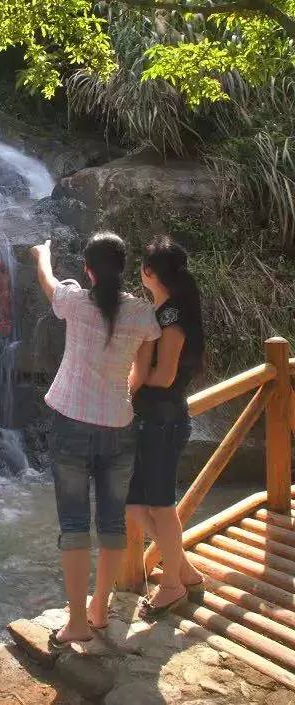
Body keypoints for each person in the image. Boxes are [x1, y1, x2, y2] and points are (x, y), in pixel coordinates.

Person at [30, 232, 161, 646]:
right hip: (119, 427)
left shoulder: (76, 302)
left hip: (70, 422)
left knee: (73, 525)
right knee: (110, 523)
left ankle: (76, 623)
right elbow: (141, 373)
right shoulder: (142, 315)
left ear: (88, 269)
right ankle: (99, 612)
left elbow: (48, 281)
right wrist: (120, 396)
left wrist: (43, 254)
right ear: (123, 268)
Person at [127, 236, 206, 619]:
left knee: (160, 505)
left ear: (149, 272)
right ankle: (185, 571)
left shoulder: (172, 315)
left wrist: (129, 380)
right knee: (137, 504)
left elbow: (164, 375)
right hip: (154, 419)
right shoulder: (166, 311)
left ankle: (172, 586)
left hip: (164, 419)